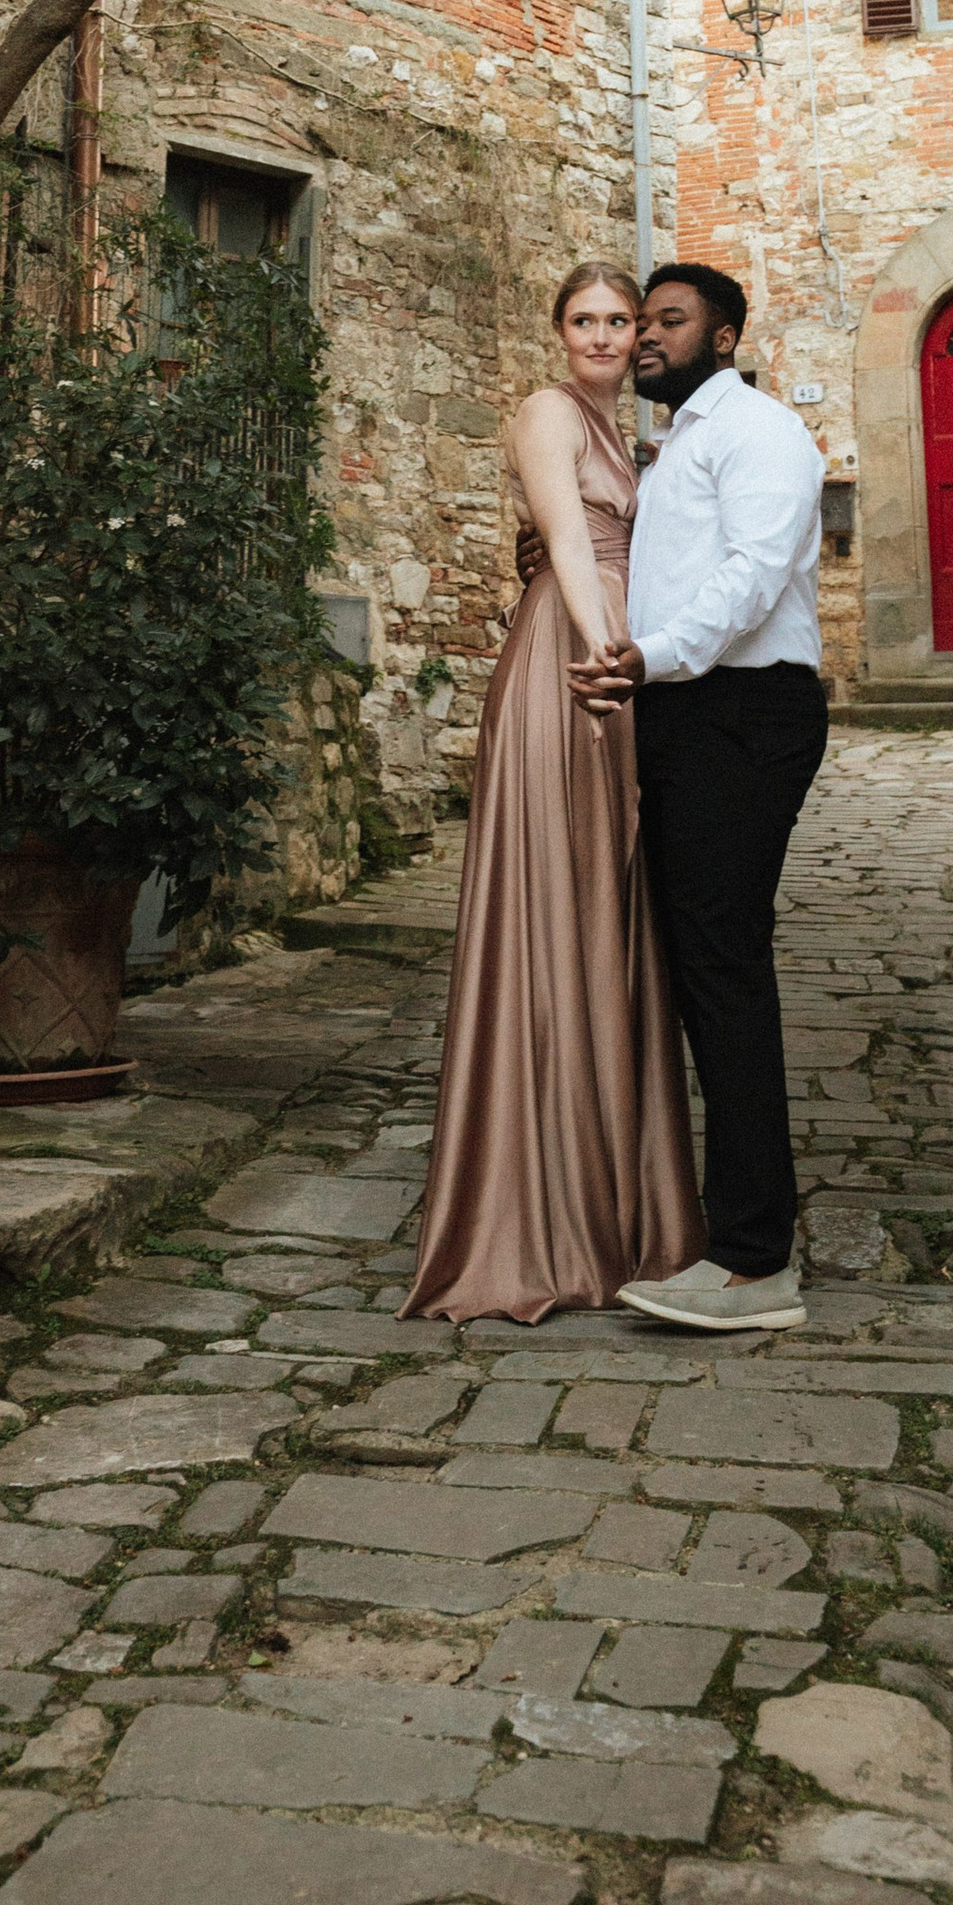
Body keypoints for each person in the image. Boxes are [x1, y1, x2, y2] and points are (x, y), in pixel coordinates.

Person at [404, 261, 705, 1323]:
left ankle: (617, 1203)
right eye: (583, 319)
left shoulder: (626, 436)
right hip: (572, 670)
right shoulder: (547, 412)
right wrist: (601, 655)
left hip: (626, 668)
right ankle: (536, 1212)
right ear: (557, 331)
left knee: (613, 914)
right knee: (560, 907)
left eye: (619, 320)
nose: (602, 336)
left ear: (637, 336)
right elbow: (569, 542)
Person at [569, 263, 826, 1335]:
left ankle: (755, 1261)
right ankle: (719, 1228)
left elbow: (754, 575)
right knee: (692, 967)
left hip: (742, 712)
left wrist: (650, 655)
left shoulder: (757, 430)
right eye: (640, 323)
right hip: (685, 711)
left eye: (668, 322)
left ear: (723, 338)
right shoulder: (679, 445)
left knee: (722, 967)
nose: (642, 340)